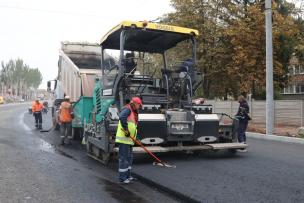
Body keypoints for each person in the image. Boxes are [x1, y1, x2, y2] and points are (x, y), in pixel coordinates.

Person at [115, 97, 143, 184]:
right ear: (135, 103)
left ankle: (128, 175)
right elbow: (122, 117)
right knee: (124, 159)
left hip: (130, 140)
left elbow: (134, 127)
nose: (139, 107)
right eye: (139, 105)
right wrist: (126, 131)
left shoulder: (134, 112)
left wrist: (136, 138)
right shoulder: (127, 109)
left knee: (129, 158)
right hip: (124, 140)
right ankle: (122, 178)